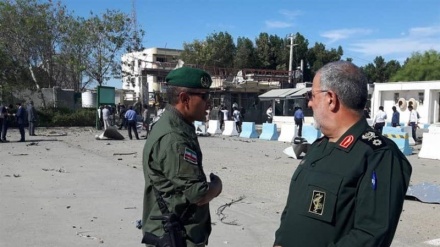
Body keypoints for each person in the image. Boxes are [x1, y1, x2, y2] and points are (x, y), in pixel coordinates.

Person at [274, 61, 412, 247]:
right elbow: (293, 211)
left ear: (331, 98)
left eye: (312, 95)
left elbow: (370, 236)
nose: (309, 103)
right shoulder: (318, 147)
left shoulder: (379, 156)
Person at [141, 67, 222, 247]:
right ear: (185, 98)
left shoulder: (178, 126)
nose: (209, 103)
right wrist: (217, 187)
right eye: (204, 96)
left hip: (177, 231)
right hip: (175, 237)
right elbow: (199, 194)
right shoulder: (174, 138)